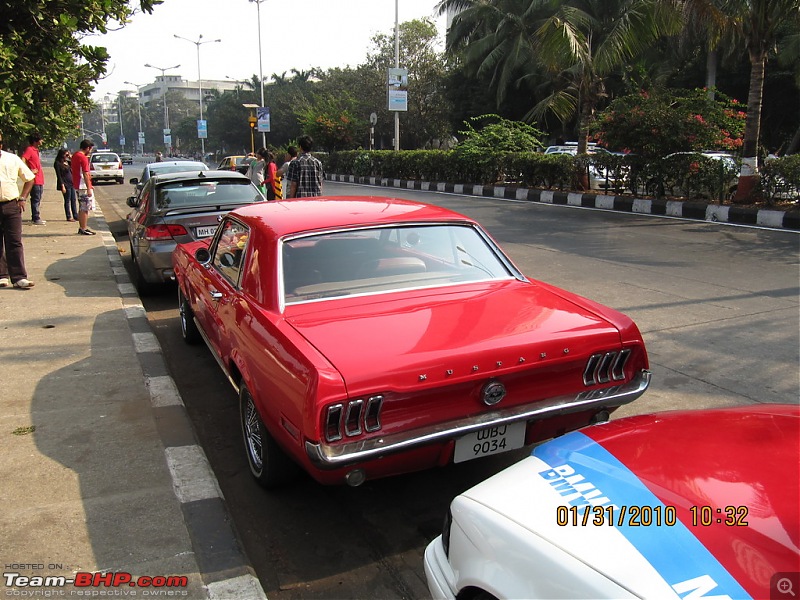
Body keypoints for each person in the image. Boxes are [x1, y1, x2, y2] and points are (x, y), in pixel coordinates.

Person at [0, 131, 36, 289]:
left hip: (11, 204)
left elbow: (29, 178)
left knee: (14, 241)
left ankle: (19, 277)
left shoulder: (12, 159)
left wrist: (23, 197)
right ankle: (1, 275)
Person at [71, 139, 96, 235]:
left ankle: (82, 227)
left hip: (78, 184)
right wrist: (89, 187)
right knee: (85, 208)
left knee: (82, 207)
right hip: (83, 186)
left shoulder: (75, 155)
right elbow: (85, 174)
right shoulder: (83, 158)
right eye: (90, 149)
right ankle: (83, 228)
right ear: (88, 148)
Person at [21, 132, 45, 225]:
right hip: (34, 179)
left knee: (38, 198)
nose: (42, 141)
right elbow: (23, 159)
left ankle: (35, 216)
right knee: (35, 199)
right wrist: (28, 170)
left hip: (39, 179)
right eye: (41, 139)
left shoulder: (36, 150)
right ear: (36, 140)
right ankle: (36, 217)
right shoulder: (30, 149)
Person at [54, 149, 78, 222]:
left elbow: (74, 165)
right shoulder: (57, 163)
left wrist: (71, 158)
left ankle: (75, 215)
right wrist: (62, 186)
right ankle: (68, 216)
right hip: (65, 183)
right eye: (66, 155)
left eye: (68, 155)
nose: (66, 156)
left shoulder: (67, 162)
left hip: (71, 183)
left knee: (73, 200)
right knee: (67, 200)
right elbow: (59, 175)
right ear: (61, 155)